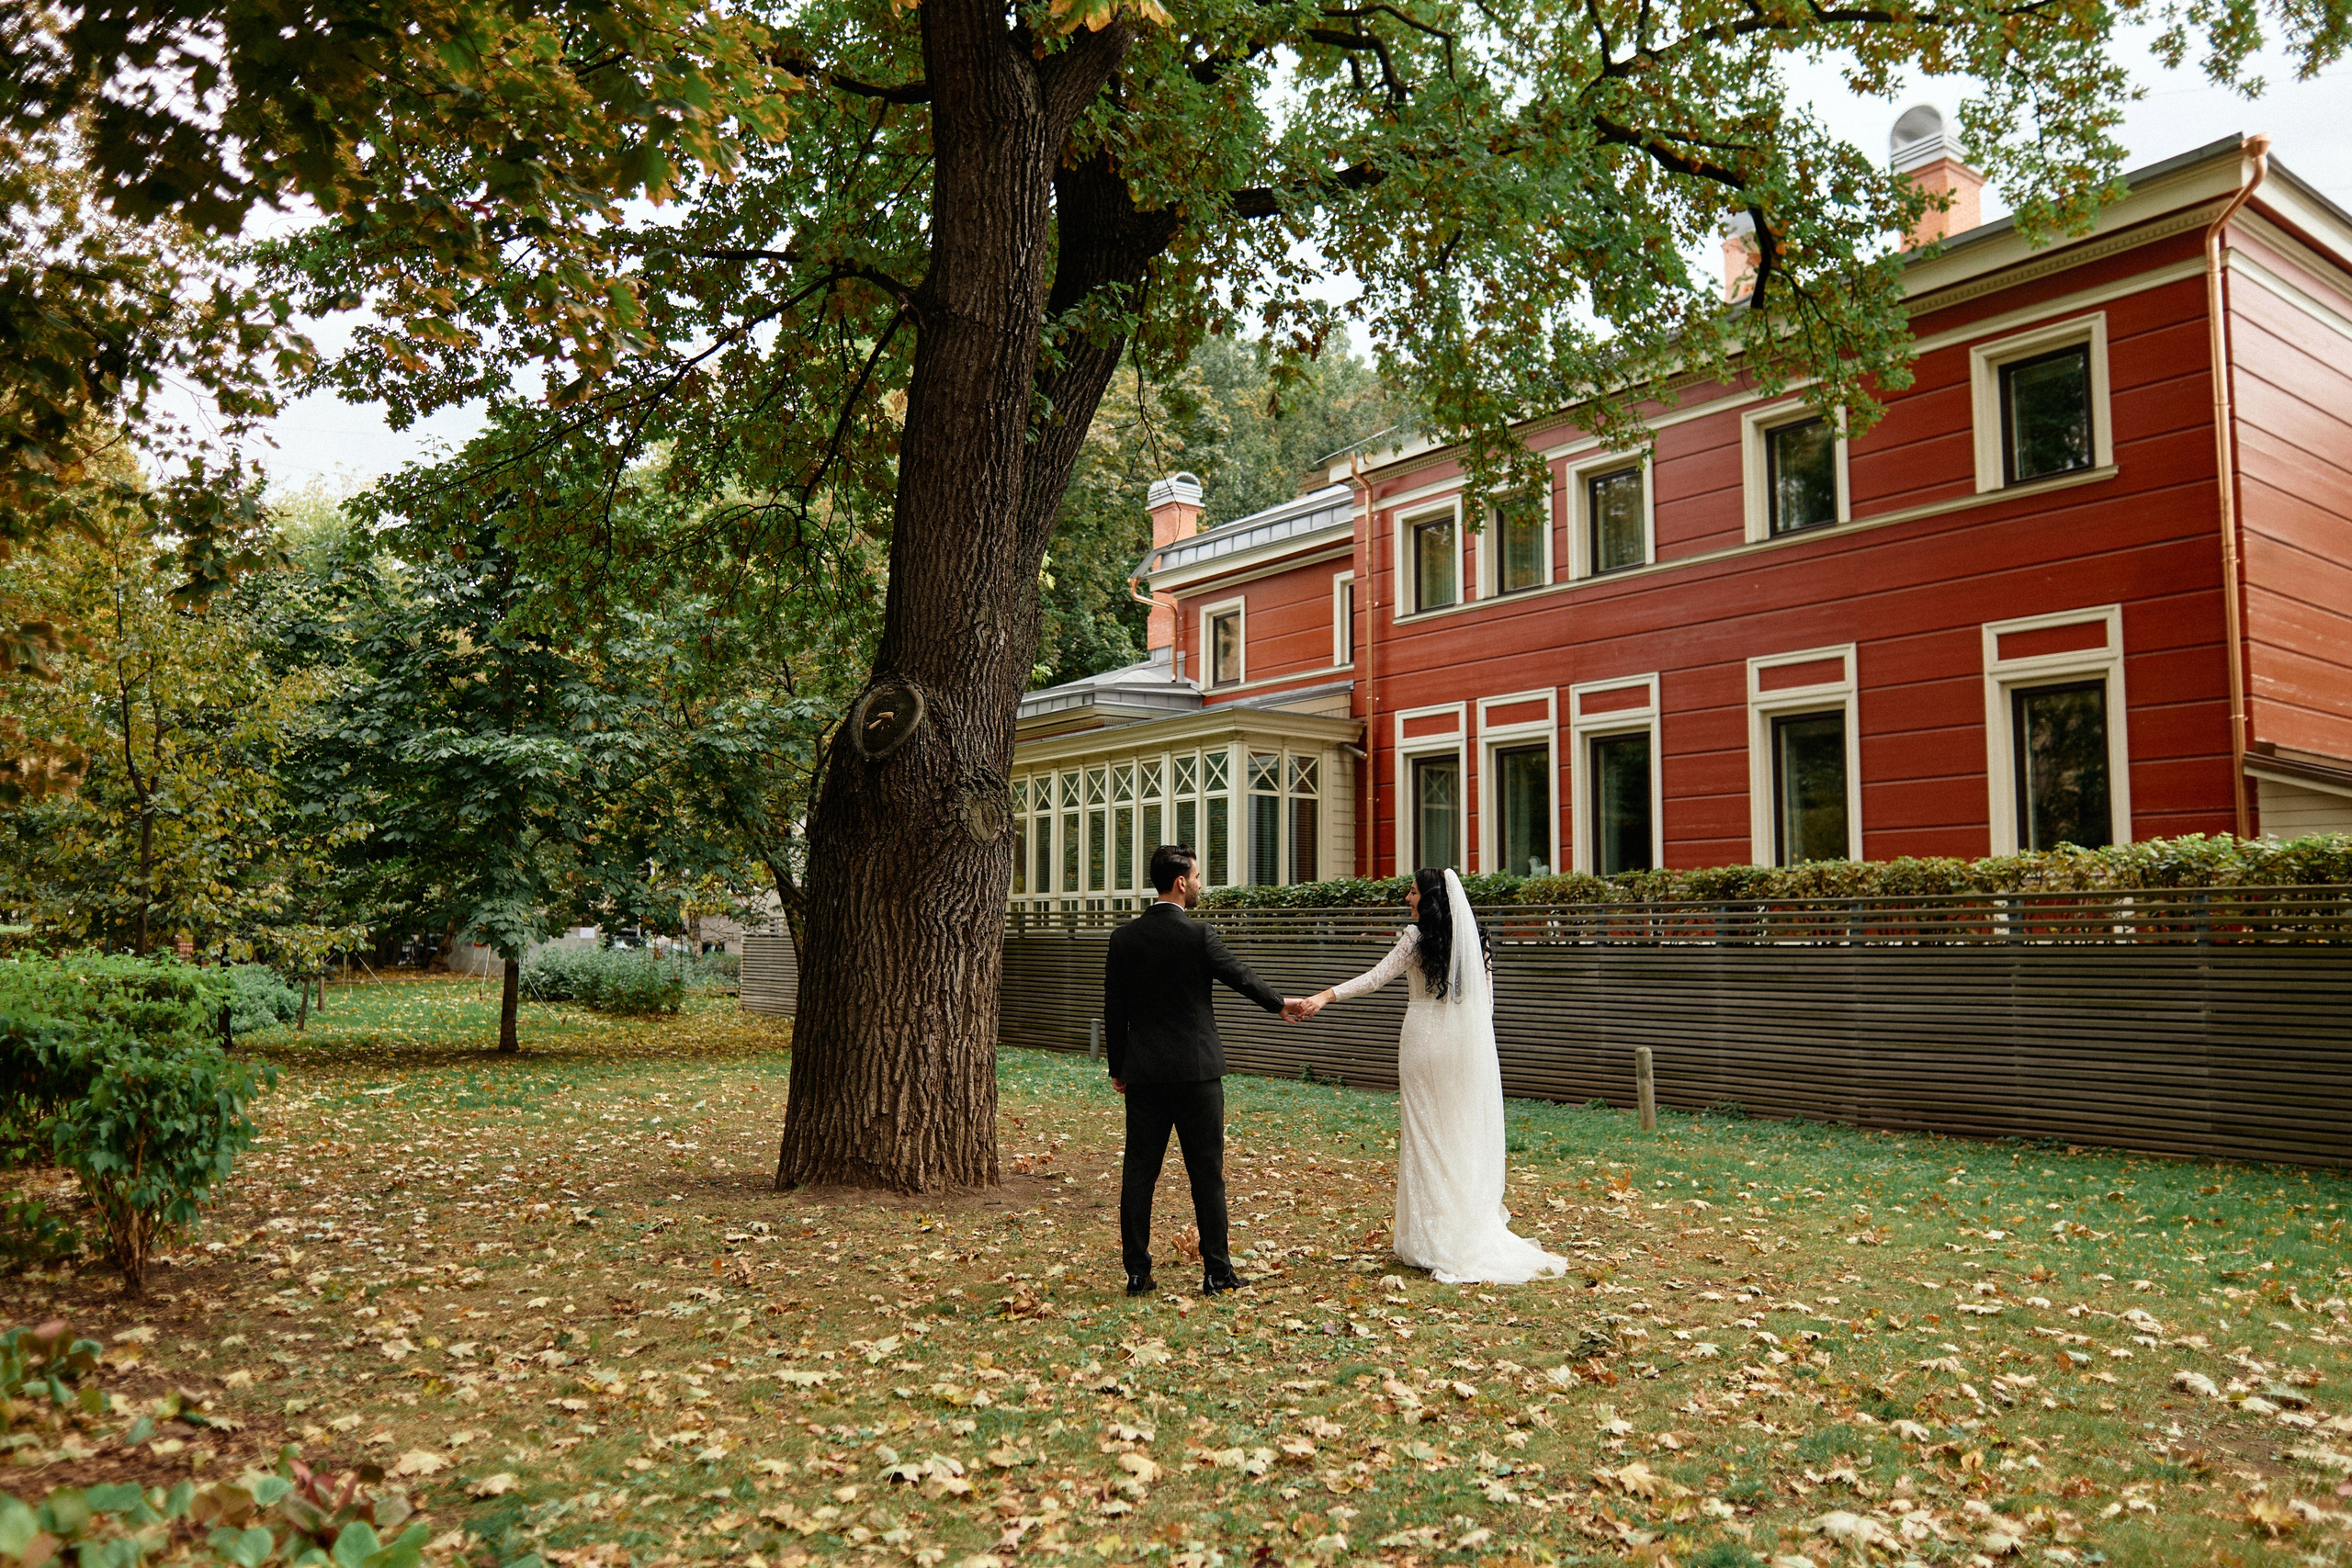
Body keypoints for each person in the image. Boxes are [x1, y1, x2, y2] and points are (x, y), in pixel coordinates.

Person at [1286, 867, 1566, 1285]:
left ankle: (1431, 1237)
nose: (1407, 898)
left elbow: (1377, 977)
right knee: (1456, 1133)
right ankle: (1459, 1227)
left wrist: (1326, 995)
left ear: (1430, 898)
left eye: (1413, 892)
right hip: (1462, 1044)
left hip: (1421, 1040)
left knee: (1424, 1133)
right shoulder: (1477, 941)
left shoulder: (1416, 938)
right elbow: (1485, 1008)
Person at [1102, 843, 1289, 1298]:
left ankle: (1136, 1272)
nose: (1202, 885)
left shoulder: (1123, 938)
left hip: (1144, 1074)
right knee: (1207, 1173)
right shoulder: (1199, 935)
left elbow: (1114, 1010)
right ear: (1182, 883)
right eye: (1199, 877)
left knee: (1139, 1174)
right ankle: (1217, 1273)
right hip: (1198, 1073)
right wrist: (1282, 1005)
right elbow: (1241, 977)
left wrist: (1119, 1067)